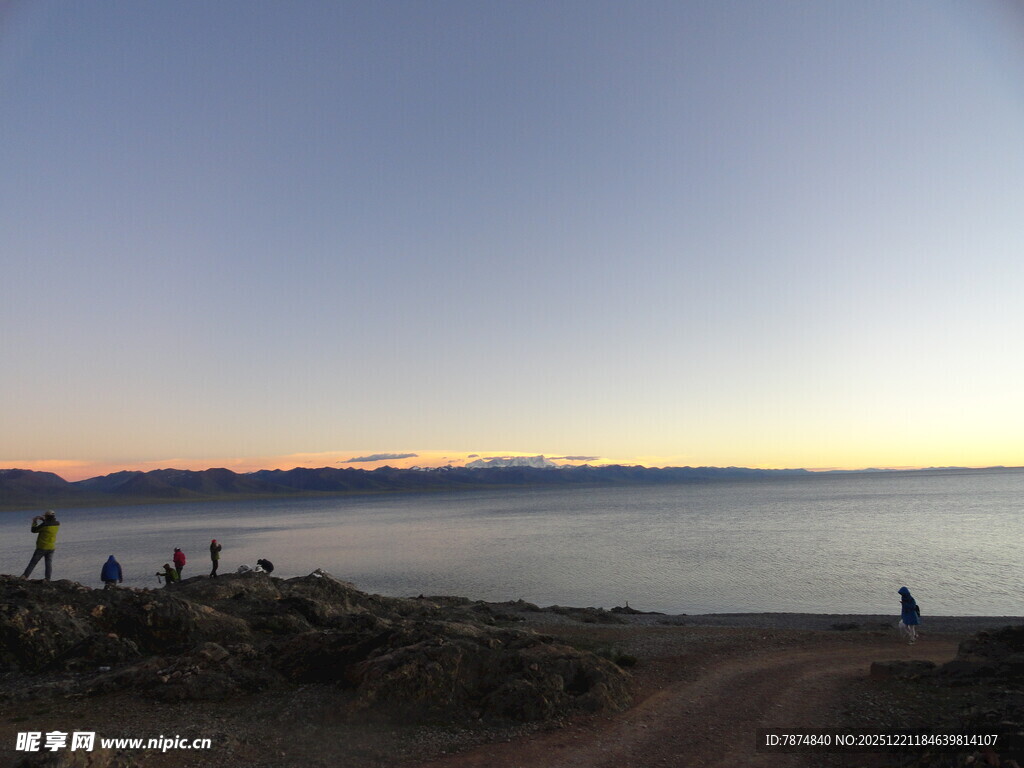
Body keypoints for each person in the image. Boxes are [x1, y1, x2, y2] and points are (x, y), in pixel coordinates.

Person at [22, 510, 60, 581]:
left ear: (47, 516)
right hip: (51, 547)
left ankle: (25, 576)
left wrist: (34, 521)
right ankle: (48, 578)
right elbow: (48, 525)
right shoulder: (57, 523)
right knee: (48, 563)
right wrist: (43, 520)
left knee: (33, 563)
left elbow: (34, 530)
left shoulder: (45, 525)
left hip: (42, 547)